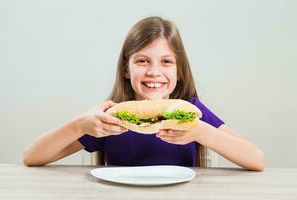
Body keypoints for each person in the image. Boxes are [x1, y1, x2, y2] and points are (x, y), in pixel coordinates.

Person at [23, 16, 265, 171]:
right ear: (126, 70)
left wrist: (201, 131)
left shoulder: (190, 111)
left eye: (166, 62)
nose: (154, 72)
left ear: (179, 71)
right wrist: (79, 125)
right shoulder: (110, 117)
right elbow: (32, 157)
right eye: (142, 61)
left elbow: (256, 159)